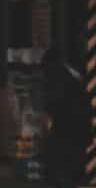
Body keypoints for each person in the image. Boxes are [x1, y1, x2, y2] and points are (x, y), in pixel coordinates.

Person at [40, 49, 88, 188]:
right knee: (72, 159)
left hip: (65, 124)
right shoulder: (74, 75)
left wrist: (48, 115)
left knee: (59, 159)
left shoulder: (56, 74)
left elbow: (55, 99)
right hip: (78, 123)